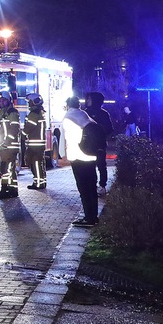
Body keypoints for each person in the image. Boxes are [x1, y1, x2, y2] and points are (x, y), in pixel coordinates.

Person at [62, 96, 99, 227]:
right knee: (92, 187)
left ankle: (88, 217)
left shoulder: (68, 117)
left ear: (68, 105)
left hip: (78, 156)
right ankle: (94, 216)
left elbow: (69, 139)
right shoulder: (84, 115)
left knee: (83, 188)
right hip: (91, 155)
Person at [0, 91, 22, 199]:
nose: (1, 103)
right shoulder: (3, 113)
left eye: (3, 100)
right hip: (4, 146)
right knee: (4, 168)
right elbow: (2, 130)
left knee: (9, 168)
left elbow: (14, 129)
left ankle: (11, 190)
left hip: (10, 146)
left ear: (8, 101)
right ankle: (6, 189)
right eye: (0, 101)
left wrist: (6, 141)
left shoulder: (12, 113)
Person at [85, 92, 113, 197]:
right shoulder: (85, 112)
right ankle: (94, 186)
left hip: (98, 144)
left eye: (89, 99)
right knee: (91, 166)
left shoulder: (102, 114)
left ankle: (102, 186)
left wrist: (99, 133)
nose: (87, 101)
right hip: (88, 144)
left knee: (101, 165)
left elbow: (109, 129)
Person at [22, 93, 48, 190]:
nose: (29, 104)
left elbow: (29, 127)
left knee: (35, 163)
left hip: (35, 144)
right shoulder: (40, 112)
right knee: (40, 163)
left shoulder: (34, 114)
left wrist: (22, 135)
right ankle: (42, 181)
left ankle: (38, 183)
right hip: (39, 143)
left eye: (30, 102)